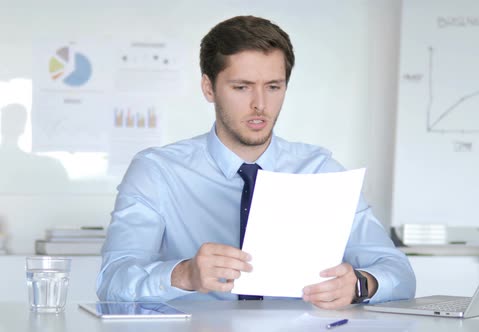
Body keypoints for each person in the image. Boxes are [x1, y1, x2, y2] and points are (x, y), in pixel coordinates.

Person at [97, 15, 415, 309]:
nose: (260, 105)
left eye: (273, 87)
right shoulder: (157, 172)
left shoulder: (320, 171)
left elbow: (398, 273)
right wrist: (184, 274)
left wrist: (361, 284)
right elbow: (112, 282)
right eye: (241, 87)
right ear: (209, 88)